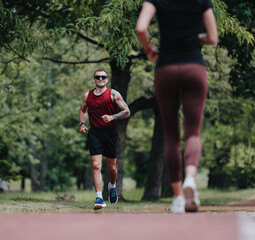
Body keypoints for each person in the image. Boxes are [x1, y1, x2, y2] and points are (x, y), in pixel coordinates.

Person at [136, 0, 218, 213]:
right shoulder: (202, 1)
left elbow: (141, 27)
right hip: (193, 66)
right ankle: (190, 179)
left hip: (166, 68)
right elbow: (213, 37)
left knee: (172, 136)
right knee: (193, 133)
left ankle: (178, 197)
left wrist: (149, 50)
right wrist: (193, 39)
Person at [79, 69, 131, 210]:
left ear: (106, 80)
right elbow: (83, 110)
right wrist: (82, 124)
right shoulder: (87, 95)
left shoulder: (114, 94)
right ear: (94, 79)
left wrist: (112, 116)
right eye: (97, 77)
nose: (100, 79)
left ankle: (112, 186)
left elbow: (127, 111)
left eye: (103, 77)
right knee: (96, 165)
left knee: (111, 168)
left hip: (110, 133)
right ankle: (99, 197)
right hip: (95, 133)